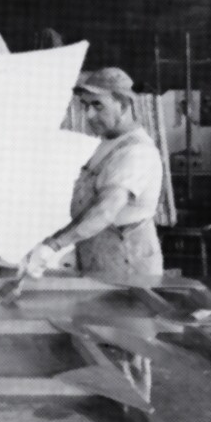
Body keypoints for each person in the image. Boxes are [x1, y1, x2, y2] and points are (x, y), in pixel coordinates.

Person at [21, 67, 164, 279]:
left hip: (128, 265)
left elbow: (105, 210)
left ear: (123, 104)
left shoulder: (136, 152)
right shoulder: (110, 142)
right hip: (102, 256)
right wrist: (64, 246)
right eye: (85, 105)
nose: (89, 115)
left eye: (98, 105)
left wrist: (54, 244)